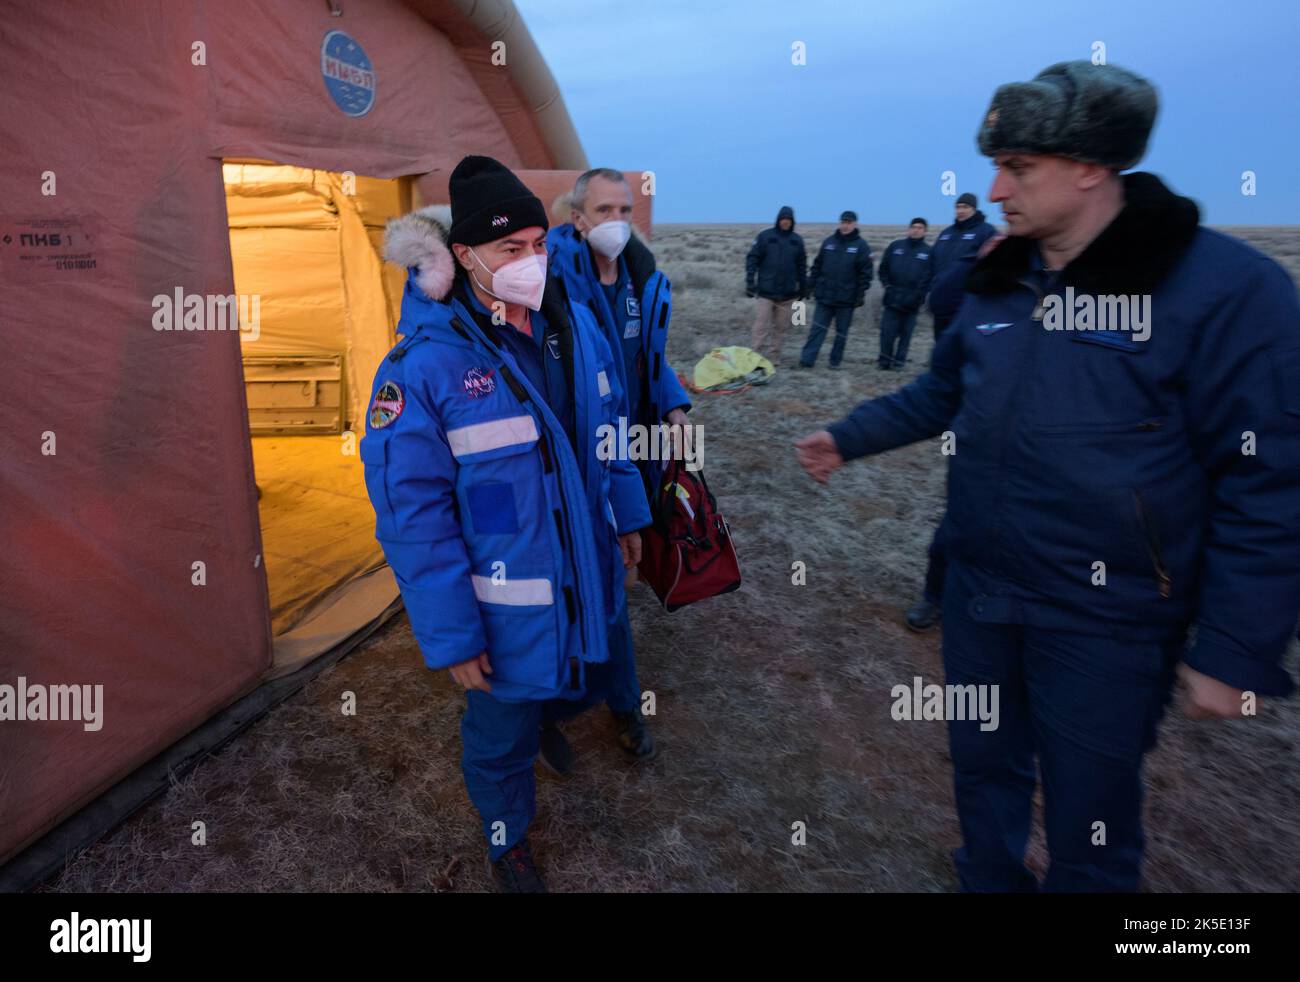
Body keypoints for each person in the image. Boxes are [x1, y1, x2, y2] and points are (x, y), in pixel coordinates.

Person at [795, 61, 1300, 891]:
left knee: (1089, 818)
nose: (995, 188)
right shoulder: (1001, 279)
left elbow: (1270, 482)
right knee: (981, 767)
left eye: (1019, 168)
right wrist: (847, 437)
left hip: (1110, 622)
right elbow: (944, 390)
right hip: (981, 592)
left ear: (1093, 167)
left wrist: (1239, 646)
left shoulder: (1226, 291)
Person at [363, 156, 651, 892]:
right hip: (502, 605)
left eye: (537, 244)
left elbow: (609, 426)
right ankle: (507, 840)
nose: (532, 262)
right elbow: (412, 517)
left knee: (582, 670)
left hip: (583, 569)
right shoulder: (422, 369)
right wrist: (454, 634)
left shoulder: (574, 325)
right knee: (500, 733)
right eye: (508, 250)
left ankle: (558, 716)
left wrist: (627, 512)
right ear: (461, 257)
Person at [546, 167, 695, 764]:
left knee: (617, 570)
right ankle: (547, 709)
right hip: (575, 449)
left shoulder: (639, 278)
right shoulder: (554, 280)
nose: (617, 223)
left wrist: (674, 403)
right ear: (577, 218)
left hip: (628, 444)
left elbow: (648, 358)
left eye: (625, 211)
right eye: (604, 211)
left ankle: (622, 699)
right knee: (574, 577)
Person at [798, 210, 873, 369]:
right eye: (843, 222)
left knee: (841, 332)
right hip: (825, 296)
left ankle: (834, 362)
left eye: (849, 223)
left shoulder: (861, 246)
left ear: (855, 224)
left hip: (847, 299)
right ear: (839, 223)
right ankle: (807, 360)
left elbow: (866, 274)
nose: (845, 225)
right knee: (817, 329)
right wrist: (810, 286)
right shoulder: (829, 242)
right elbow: (817, 266)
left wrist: (860, 294)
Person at [927, 192, 996, 341]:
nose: (960, 211)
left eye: (965, 207)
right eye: (958, 207)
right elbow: (932, 263)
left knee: (964, 345)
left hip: (967, 303)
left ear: (974, 209)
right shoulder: (946, 234)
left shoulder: (986, 232)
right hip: (942, 302)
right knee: (941, 343)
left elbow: (993, 267)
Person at [746, 205, 807, 364]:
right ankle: (755, 357)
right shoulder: (765, 236)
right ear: (778, 219)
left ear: (792, 221)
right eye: (783, 219)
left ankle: (774, 357)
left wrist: (803, 286)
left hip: (787, 294)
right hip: (766, 292)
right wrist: (750, 281)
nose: (785, 222)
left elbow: (802, 265)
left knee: (781, 328)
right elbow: (752, 259)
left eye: (788, 220)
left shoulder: (797, 240)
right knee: (761, 327)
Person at [875, 218, 933, 370]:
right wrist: (887, 286)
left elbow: (931, 277)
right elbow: (883, 269)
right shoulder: (895, 246)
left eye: (920, 228)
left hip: (912, 302)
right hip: (892, 299)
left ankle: (899, 362)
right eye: (913, 227)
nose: (916, 230)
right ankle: (884, 361)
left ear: (925, 231)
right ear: (909, 229)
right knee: (887, 334)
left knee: (905, 336)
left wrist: (920, 295)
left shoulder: (928, 252)